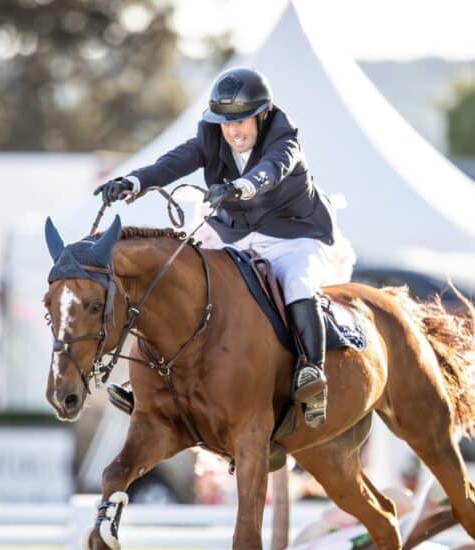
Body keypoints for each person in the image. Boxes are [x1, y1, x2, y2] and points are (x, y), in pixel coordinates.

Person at [93, 67, 353, 428]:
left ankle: (313, 375)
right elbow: (174, 162)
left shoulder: (284, 137)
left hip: (293, 236)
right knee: (188, 282)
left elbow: (272, 170)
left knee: (297, 284)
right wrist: (132, 182)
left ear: (263, 115)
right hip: (237, 236)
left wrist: (239, 187)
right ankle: (154, 381)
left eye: (241, 121)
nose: (233, 131)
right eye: (226, 123)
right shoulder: (211, 136)